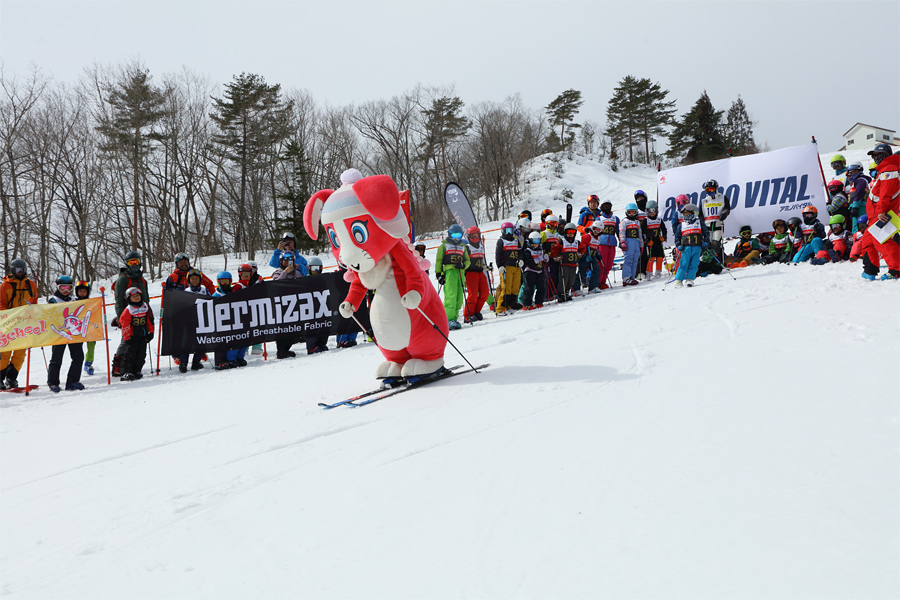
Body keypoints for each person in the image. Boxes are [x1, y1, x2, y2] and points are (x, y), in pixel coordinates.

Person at [44, 276, 86, 392]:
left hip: (74, 334)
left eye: (68, 288)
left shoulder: (74, 300)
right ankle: (53, 382)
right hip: (59, 334)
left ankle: (72, 381)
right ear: (57, 287)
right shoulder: (54, 300)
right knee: (56, 358)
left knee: (78, 357)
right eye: (63, 288)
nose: (66, 290)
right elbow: (47, 314)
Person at [1, 259, 37, 390]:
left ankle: (11, 378)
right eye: (17, 270)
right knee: (5, 352)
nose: (20, 272)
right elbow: (1, 303)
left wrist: (33, 306)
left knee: (20, 353)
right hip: (9, 323)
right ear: (13, 270)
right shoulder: (5, 285)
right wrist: (7, 316)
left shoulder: (31, 284)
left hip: (25, 323)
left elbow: (35, 303)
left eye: (22, 270)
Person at [111, 251, 149, 378]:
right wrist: (120, 317)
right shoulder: (123, 279)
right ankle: (118, 365)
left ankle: (134, 367)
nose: (134, 265)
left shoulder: (142, 280)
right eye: (131, 262)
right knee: (126, 340)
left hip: (142, 314)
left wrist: (148, 315)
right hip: (127, 315)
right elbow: (118, 300)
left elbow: (146, 299)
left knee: (139, 341)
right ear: (127, 264)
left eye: (136, 262)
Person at [866, 143, 900, 280]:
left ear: (886, 154)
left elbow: (886, 193)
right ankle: (870, 270)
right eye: (873, 155)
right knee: (868, 241)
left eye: (877, 155)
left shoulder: (890, 168)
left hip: (881, 213)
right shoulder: (885, 168)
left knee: (881, 241)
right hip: (875, 213)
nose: (875, 158)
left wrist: (881, 210)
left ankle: (896, 269)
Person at [435, 224, 470, 330]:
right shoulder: (444, 246)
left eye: (458, 236)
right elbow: (439, 261)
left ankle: (454, 319)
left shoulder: (463, 246)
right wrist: (439, 274)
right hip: (449, 272)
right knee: (451, 296)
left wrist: (463, 265)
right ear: (449, 235)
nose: (455, 238)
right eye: (453, 235)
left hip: (460, 272)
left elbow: (467, 261)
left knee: (459, 297)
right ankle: (448, 319)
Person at [271, 253, 304, 358]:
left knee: (294, 328)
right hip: (282, 306)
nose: (287, 261)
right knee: (283, 329)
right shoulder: (278, 272)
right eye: (285, 259)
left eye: (290, 259)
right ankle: (281, 351)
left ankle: (287, 348)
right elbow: (275, 284)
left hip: (295, 304)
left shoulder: (297, 273)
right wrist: (285, 272)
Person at [119, 286, 155, 381]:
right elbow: (125, 324)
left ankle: (137, 370)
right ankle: (126, 372)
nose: (136, 298)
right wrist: (127, 337)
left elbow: (150, 320)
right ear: (129, 298)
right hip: (132, 336)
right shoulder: (129, 310)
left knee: (141, 354)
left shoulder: (145, 307)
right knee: (130, 354)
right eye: (134, 297)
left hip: (143, 334)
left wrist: (151, 332)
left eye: (138, 296)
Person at [176, 269, 209, 372]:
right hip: (189, 321)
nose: (195, 281)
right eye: (192, 279)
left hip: (201, 321)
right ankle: (183, 363)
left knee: (201, 341)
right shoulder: (186, 291)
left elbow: (210, 301)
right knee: (187, 342)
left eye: (197, 279)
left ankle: (196, 362)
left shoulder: (204, 290)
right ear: (188, 280)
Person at [672, 203, 709, 287]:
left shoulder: (699, 223)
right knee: (683, 264)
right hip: (686, 248)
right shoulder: (681, 225)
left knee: (694, 264)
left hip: (697, 247)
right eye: (685, 214)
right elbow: (677, 236)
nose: (687, 216)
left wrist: (706, 242)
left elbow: (706, 233)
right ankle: (678, 280)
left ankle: (690, 279)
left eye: (689, 214)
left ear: (693, 214)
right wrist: (678, 245)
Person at [494, 221, 523, 316]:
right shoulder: (501, 241)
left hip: (516, 267)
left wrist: (521, 259)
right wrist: (500, 266)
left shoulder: (516, 241)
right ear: (503, 231)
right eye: (507, 231)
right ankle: (500, 309)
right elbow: (498, 255)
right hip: (506, 268)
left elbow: (520, 252)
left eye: (511, 231)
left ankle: (510, 305)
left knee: (515, 288)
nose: (509, 233)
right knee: (506, 288)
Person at [463, 226, 490, 323]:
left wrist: (486, 267)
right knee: (472, 295)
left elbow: (480, 261)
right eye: (472, 236)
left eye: (477, 235)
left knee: (485, 293)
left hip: (480, 272)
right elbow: (463, 261)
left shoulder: (481, 246)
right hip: (471, 274)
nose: (475, 238)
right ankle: (468, 315)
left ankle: (476, 311)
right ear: (468, 237)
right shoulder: (467, 248)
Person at [304, 257, 330, 354]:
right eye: (313, 268)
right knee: (312, 325)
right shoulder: (305, 279)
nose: (316, 271)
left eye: (317, 268)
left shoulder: (323, 279)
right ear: (308, 268)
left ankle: (321, 343)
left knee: (325, 323)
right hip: (310, 306)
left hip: (322, 305)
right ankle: (311, 346)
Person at [700, 179, 728, 261]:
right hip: (707, 227)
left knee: (716, 244)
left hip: (718, 226)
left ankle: (718, 261)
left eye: (711, 189)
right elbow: (701, 215)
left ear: (716, 188)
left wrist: (724, 213)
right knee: (708, 245)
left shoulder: (722, 198)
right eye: (707, 190)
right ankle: (708, 262)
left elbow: (727, 208)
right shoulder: (704, 201)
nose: (709, 191)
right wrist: (701, 225)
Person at [594, 201, 619, 289]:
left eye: (608, 206)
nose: (606, 208)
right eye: (604, 206)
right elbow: (595, 232)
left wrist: (621, 241)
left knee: (609, 264)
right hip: (602, 243)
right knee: (602, 263)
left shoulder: (615, 218)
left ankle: (603, 281)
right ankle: (598, 282)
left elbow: (618, 231)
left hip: (612, 243)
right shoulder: (599, 218)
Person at [74, 281, 97, 376]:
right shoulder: (73, 302)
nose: (82, 293)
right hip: (77, 329)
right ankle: (76, 365)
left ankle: (88, 363)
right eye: (80, 291)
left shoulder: (92, 303)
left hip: (89, 329)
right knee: (76, 350)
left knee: (91, 348)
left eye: (84, 291)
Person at [618, 203, 643, 286]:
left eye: (633, 212)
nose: (631, 214)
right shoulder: (624, 221)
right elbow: (622, 233)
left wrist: (641, 245)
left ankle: (632, 276)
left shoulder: (637, 222)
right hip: (629, 241)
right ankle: (626, 277)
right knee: (628, 259)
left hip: (636, 242)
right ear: (626, 212)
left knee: (635, 260)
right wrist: (623, 242)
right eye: (629, 212)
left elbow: (640, 234)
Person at [849, 215, 881, 280]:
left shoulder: (872, 232)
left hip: (871, 250)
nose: (862, 228)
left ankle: (865, 259)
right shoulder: (857, 234)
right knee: (857, 244)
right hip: (860, 248)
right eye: (860, 226)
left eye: (863, 226)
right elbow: (854, 243)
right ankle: (854, 256)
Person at [521, 232, 547, 309]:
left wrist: (546, 259)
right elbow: (528, 262)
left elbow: (544, 260)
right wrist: (537, 260)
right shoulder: (527, 251)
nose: (535, 244)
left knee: (541, 287)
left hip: (539, 271)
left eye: (537, 242)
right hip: (530, 271)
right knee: (529, 288)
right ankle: (527, 304)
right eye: (533, 242)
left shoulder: (541, 250)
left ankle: (539, 302)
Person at [558, 223, 583, 301]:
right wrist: (558, 256)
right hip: (565, 264)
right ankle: (561, 294)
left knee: (571, 279)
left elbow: (582, 249)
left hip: (573, 264)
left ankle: (566, 292)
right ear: (565, 232)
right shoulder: (562, 241)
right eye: (568, 232)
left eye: (572, 232)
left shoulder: (577, 242)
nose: (570, 234)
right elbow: (555, 249)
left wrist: (580, 254)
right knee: (564, 279)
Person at [844, 162, 872, 234]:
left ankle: (858, 239)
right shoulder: (857, 181)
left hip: (860, 206)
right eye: (850, 172)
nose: (852, 174)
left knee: (857, 227)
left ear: (860, 170)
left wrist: (855, 207)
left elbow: (859, 193)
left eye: (854, 171)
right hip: (858, 206)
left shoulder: (860, 180)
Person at [541, 215, 563, 302]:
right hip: (547, 259)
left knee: (556, 275)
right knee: (548, 276)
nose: (553, 225)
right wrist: (543, 254)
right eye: (551, 224)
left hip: (555, 259)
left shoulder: (557, 236)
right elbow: (539, 245)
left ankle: (554, 293)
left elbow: (560, 247)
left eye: (555, 223)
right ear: (547, 224)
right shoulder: (544, 234)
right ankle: (547, 295)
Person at [644, 200, 668, 278]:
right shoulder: (646, 220)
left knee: (660, 256)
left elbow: (664, 229)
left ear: (656, 210)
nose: (652, 212)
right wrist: (647, 241)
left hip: (658, 240)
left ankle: (658, 271)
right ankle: (649, 272)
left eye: (653, 210)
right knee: (651, 257)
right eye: (649, 210)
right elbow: (643, 232)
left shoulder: (659, 219)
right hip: (650, 241)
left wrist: (664, 237)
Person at [578, 222, 603, 293]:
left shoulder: (598, 238)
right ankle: (576, 288)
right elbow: (582, 247)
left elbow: (596, 247)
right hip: (585, 257)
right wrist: (584, 254)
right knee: (582, 272)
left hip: (593, 257)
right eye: (594, 229)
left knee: (597, 270)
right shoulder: (587, 236)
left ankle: (593, 287)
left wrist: (597, 255)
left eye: (598, 230)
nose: (595, 231)